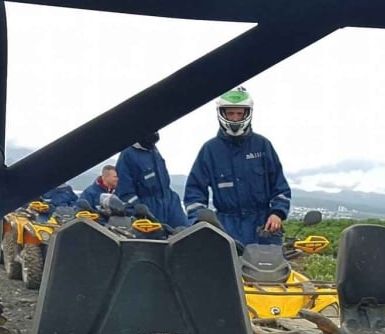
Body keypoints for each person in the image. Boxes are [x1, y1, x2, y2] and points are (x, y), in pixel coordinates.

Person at [184, 88, 291, 246]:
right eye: (231, 113)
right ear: (222, 114)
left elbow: (280, 187)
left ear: (247, 114)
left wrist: (277, 213)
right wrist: (201, 221)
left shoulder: (262, 146)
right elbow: (194, 192)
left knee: (271, 270)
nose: (235, 118)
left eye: (239, 114)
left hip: (263, 228)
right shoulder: (210, 150)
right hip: (225, 229)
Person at [116, 132, 189, 230]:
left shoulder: (154, 150)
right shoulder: (127, 155)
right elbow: (125, 193)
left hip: (171, 205)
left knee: (186, 236)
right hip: (147, 212)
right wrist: (139, 211)